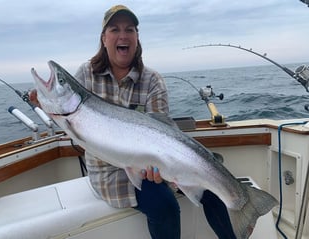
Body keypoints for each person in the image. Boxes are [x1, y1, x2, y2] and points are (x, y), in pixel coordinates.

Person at [30, 5, 236, 239]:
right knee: (164, 205)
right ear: (104, 38)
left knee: (212, 187)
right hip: (107, 171)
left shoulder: (152, 80)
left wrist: (160, 169)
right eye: (115, 29)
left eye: (130, 29)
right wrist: (45, 104)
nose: (123, 35)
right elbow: (72, 125)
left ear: (137, 38)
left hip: (151, 165)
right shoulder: (86, 74)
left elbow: (164, 127)